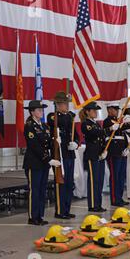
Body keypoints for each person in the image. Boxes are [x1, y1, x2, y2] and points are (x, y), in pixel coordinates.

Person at [23, 100, 60, 226]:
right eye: (39, 110)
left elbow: (47, 142)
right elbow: (34, 146)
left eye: (42, 110)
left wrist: (56, 140)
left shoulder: (44, 126)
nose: (41, 112)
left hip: (43, 163)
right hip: (33, 163)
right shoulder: (29, 125)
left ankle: (40, 215)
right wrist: (48, 159)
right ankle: (33, 217)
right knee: (34, 190)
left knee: (42, 190)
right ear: (32, 112)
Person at [47, 91, 79, 220]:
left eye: (67, 104)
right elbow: (59, 122)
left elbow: (75, 134)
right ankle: (60, 210)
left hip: (70, 153)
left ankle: (67, 209)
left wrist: (76, 143)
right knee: (61, 182)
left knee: (69, 183)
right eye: (65, 104)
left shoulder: (69, 117)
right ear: (58, 105)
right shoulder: (53, 116)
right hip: (59, 154)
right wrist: (69, 116)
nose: (67, 106)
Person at [103, 101, 130, 207]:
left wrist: (126, 147)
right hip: (113, 153)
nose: (116, 111)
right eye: (115, 109)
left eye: (117, 109)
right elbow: (110, 134)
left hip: (121, 152)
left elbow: (123, 136)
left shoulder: (117, 121)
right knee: (115, 177)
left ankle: (120, 197)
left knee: (121, 176)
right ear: (109, 110)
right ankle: (114, 199)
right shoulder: (107, 122)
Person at [81, 102, 107, 213]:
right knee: (93, 181)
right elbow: (95, 133)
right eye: (93, 110)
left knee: (100, 181)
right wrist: (108, 129)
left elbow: (101, 138)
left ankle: (98, 203)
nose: (95, 112)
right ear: (87, 111)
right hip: (92, 155)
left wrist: (104, 150)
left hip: (99, 155)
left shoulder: (95, 123)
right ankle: (92, 205)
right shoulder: (86, 123)